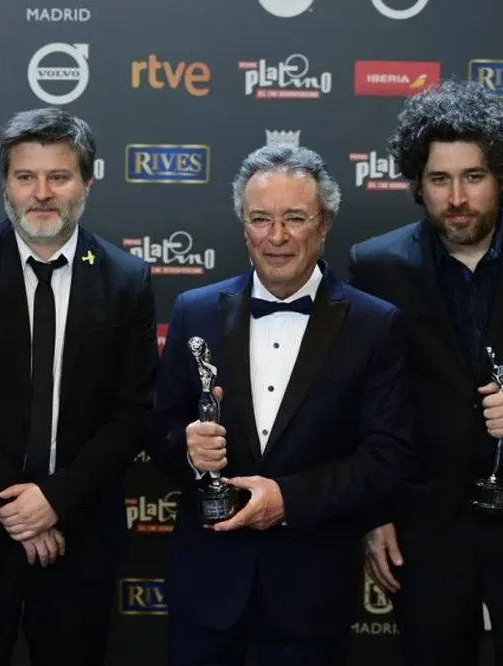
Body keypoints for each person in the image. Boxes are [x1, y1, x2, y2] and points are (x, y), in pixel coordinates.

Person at [0, 107, 158, 666]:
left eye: (58, 177)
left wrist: (55, 501)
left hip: (77, 535)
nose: (42, 193)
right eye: (25, 177)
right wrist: (18, 505)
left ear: (87, 182)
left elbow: (131, 414)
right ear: (5, 185)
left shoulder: (126, 279)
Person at [148, 144, 413, 666]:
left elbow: (386, 456)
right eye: (261, 219)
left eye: (295, 218)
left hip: (311, 588)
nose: (277, 236)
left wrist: (287, 498)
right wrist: (186, 446)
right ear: (243, 224)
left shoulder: (374, 324)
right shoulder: (194, 311)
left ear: (325, 223)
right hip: (207, 583)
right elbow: (159, 434)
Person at [349, 79, 503, 666]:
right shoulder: (376, 266)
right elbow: (365, 407)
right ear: (417, 185)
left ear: (501, 176)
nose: (457, 198)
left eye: (473, 177)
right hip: (425, 530)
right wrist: (377, 514)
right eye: (439, 179)